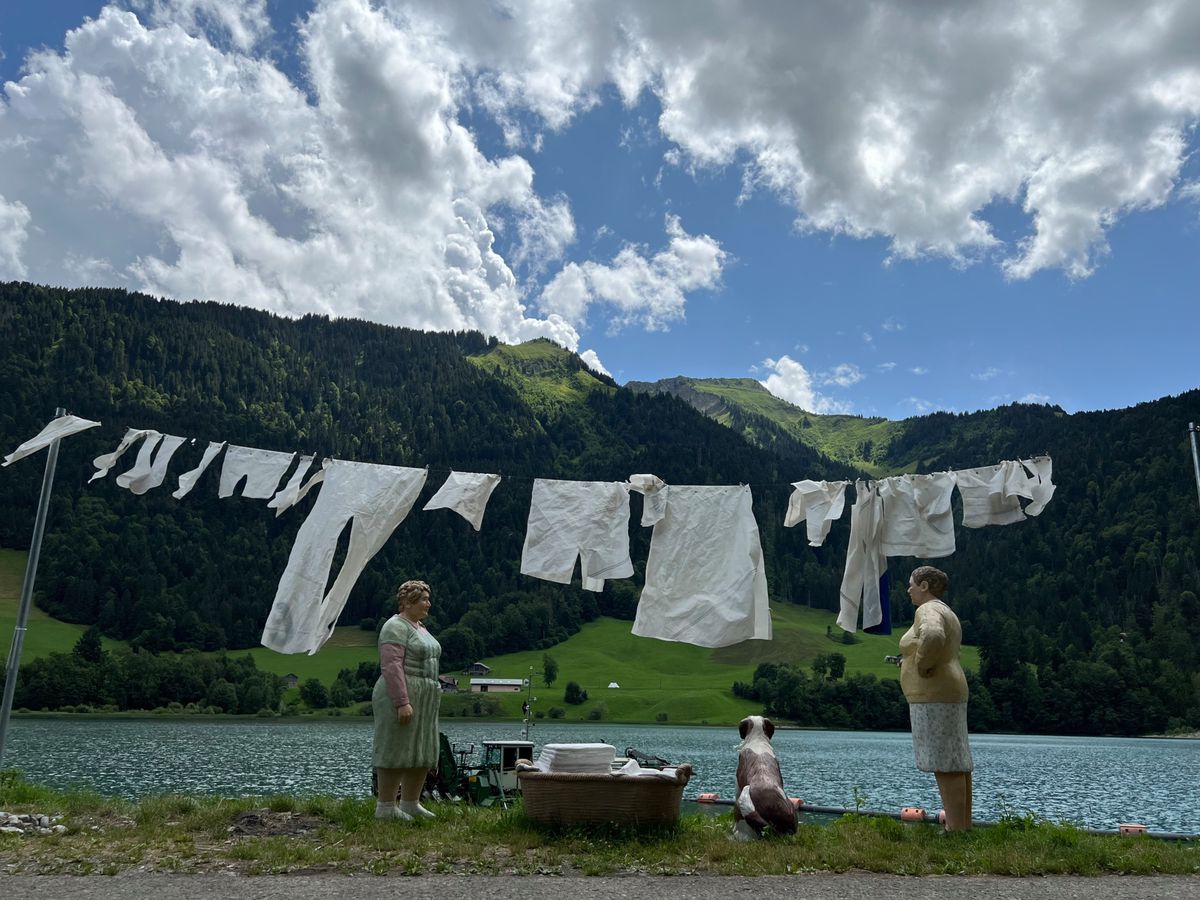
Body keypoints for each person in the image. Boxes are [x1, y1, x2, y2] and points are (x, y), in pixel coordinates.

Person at [899, 565, 972, 831]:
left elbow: (932, 635)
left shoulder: (927, 610)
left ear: (925, 586)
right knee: (956, 759)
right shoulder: (945, 610)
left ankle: (955, 829)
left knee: (946, 761)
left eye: (911, 584)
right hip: (948, 689)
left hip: (934, 693)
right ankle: (962, 827)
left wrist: (921, 665)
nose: (908, 590)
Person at [372, 579, 441, 820]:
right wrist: (402, 701)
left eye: (427, 599)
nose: (428, 604)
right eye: (423, 599)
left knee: (422, 748)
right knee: (396, 746)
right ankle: (386, 806)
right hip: (402, 693)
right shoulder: (395, 626)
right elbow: (391, 665)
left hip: (425, 696)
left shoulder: (420, 627)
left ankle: (411, 801)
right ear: (406, 602)